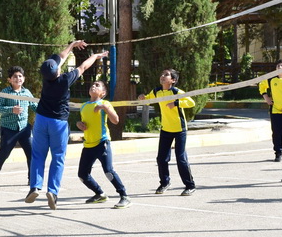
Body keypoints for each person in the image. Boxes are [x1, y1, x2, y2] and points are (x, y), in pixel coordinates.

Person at [27, 40, 107, 210]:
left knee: (38, 156)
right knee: (58, 157)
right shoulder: (64, 80)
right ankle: (53, 192)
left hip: (41, 120)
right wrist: (95, 55)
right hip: (58, 123)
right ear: (57, 70)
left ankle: (34, 187)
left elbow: (60, 58)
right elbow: (84, 67)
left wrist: (71, 45)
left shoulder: (46, 78)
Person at [138, 68, 197, 196]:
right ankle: (165, 183)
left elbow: (191, 102)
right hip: (165, 129)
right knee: (161, 158)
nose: (162, 76)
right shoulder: (156, 92)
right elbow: (147, 99)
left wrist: (176, 103)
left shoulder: (177, 92)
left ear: (173, 80)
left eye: (166, 75)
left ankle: (190, 185)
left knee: (181, 159)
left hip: (180, 129)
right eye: (162, 74)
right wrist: (142, 97)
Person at [76, 80, 130, 208]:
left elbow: (116, 120)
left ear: (103, 93)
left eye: (97, 85)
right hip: (88, 145)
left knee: (108, 171)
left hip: (102, 142)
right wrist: (79, 124)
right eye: (92, 85)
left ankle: (124, 196)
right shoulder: (83, 106)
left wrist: (105, 108)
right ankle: (100, 194)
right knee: (82, 175)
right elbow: (84, 123)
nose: (93, 86)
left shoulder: (105, 103)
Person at [0, 66, 36, 185]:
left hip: (24, 128)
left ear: (23, 79)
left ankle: (32, 178)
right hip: (9, 129)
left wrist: (47, 111)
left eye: (20, 76)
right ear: (9, 79)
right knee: (4, 153)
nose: (18, 78)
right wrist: (11, 109)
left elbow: (35, 106)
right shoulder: (5, 92)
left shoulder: (27, 92)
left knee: (31, 153)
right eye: (15, 76)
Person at [258, 59, 282, 162]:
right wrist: (266, 97)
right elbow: (262, 86)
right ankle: (278, 152)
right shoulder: (271, 79)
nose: (279, 67)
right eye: (278, 66)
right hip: (275, 110)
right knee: (277, 133)